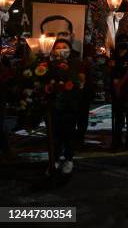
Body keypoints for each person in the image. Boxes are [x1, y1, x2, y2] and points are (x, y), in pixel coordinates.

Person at [51, 39, 85, 174]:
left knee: (68, 133)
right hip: (54, 104)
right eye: (57, 47)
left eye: (64, 47)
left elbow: (81, 81)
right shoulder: (50, 64)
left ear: (70, 49)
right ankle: (54, 160)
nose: (61, 50)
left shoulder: (77, 63)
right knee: (55, 134)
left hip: (70, 104)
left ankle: (69, 159)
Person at [110, 34, 128, 150]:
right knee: (118, 115)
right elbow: (112, 70)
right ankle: (117, 140)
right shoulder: (114, 55)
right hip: (116, 87)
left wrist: (120, 84)